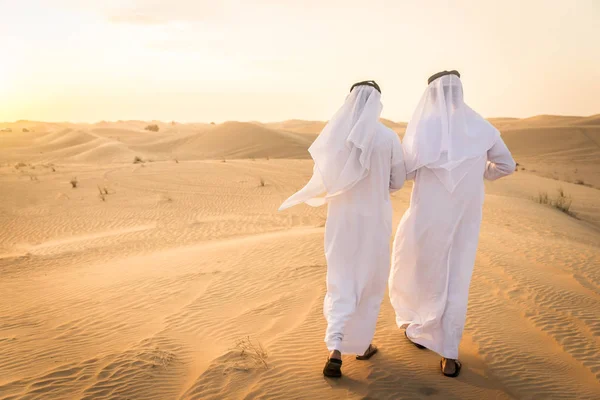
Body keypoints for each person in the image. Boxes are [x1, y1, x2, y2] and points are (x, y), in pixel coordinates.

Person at [388, 70, 516, 377]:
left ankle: (420, 329)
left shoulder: (424, 128)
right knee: (455, 279)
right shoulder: (481, 127)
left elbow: (404, 173)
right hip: (464, 220)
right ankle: (448, 354)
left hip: (426, 219)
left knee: (423, 273)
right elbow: (506, 165)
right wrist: (480, 170)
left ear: (431, 95)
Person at [279, 80, 406, 378]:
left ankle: (335, 347)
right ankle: (361, 346)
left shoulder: (336, 136)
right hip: (375, 220)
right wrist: (377, 183)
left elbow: (326, 177)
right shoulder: (388, 137)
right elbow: (398, 181)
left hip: (341, 222)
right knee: (368, 281)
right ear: (377, 103)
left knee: (340, 279)